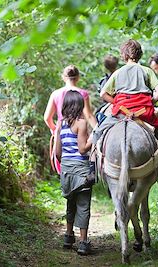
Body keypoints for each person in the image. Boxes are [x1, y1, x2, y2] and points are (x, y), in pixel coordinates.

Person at [98, 39, 158, 196]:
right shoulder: (146, 70)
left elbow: (103, 94)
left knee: (99, 133)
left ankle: (93, 169)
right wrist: (149, 104)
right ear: (139, 55)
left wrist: (117, 103)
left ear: (124, 55)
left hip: (121, 113)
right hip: (143, 113)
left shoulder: (118, 73)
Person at [55, 90, 94, 255]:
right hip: (81, 169)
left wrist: (65, 164)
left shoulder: (60, 124)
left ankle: (68, 236)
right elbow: (82, 149)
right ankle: (83, 242)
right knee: (83, 205)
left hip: (66, 169)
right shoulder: (82, 123)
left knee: (70, 203)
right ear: (80, 105)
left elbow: (57, 153)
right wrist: (93, 139)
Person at [44, 65, 97, 173]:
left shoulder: (55, 94)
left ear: (63, 77)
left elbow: (47, 118)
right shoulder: (82, 93)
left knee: (63, 165)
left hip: (62, 131)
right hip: (79, 132)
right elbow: (88, 115)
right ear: (78, 78)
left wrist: (55, 130)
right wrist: (98, 129)